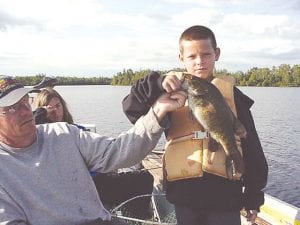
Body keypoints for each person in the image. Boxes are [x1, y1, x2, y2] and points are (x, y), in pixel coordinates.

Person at [122, 25, 268, 225]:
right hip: (185, 196)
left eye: (206, 54)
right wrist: (157, 84)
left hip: (224, 197)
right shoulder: (170, 91)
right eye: (192, 57)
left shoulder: (233, 97)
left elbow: (252, 148)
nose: (199, 62)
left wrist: (253, 194)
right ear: (181, 58)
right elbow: (131, 107)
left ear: (216, 54)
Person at [0, 75, 187, 225]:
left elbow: (119, 151)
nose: (25, 111)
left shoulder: (63, 133)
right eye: (12, 108)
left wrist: (158, 111)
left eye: (25, 102)